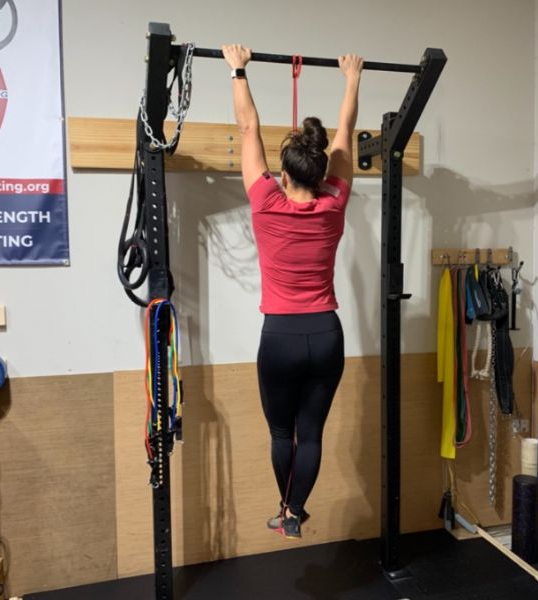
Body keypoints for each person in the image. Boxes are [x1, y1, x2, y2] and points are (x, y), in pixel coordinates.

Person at [222, 43, 363, 539]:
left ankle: (285, 510)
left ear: (282, 176)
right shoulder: (334, 202)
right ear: (322, 175)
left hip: (280, 337)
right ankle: (294, 511)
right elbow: (344, 135)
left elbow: (248, 129)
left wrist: (238, 69)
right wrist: (351, 77)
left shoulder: (265, 201)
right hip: (326, 334)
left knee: (283, 433)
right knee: (313, 433)